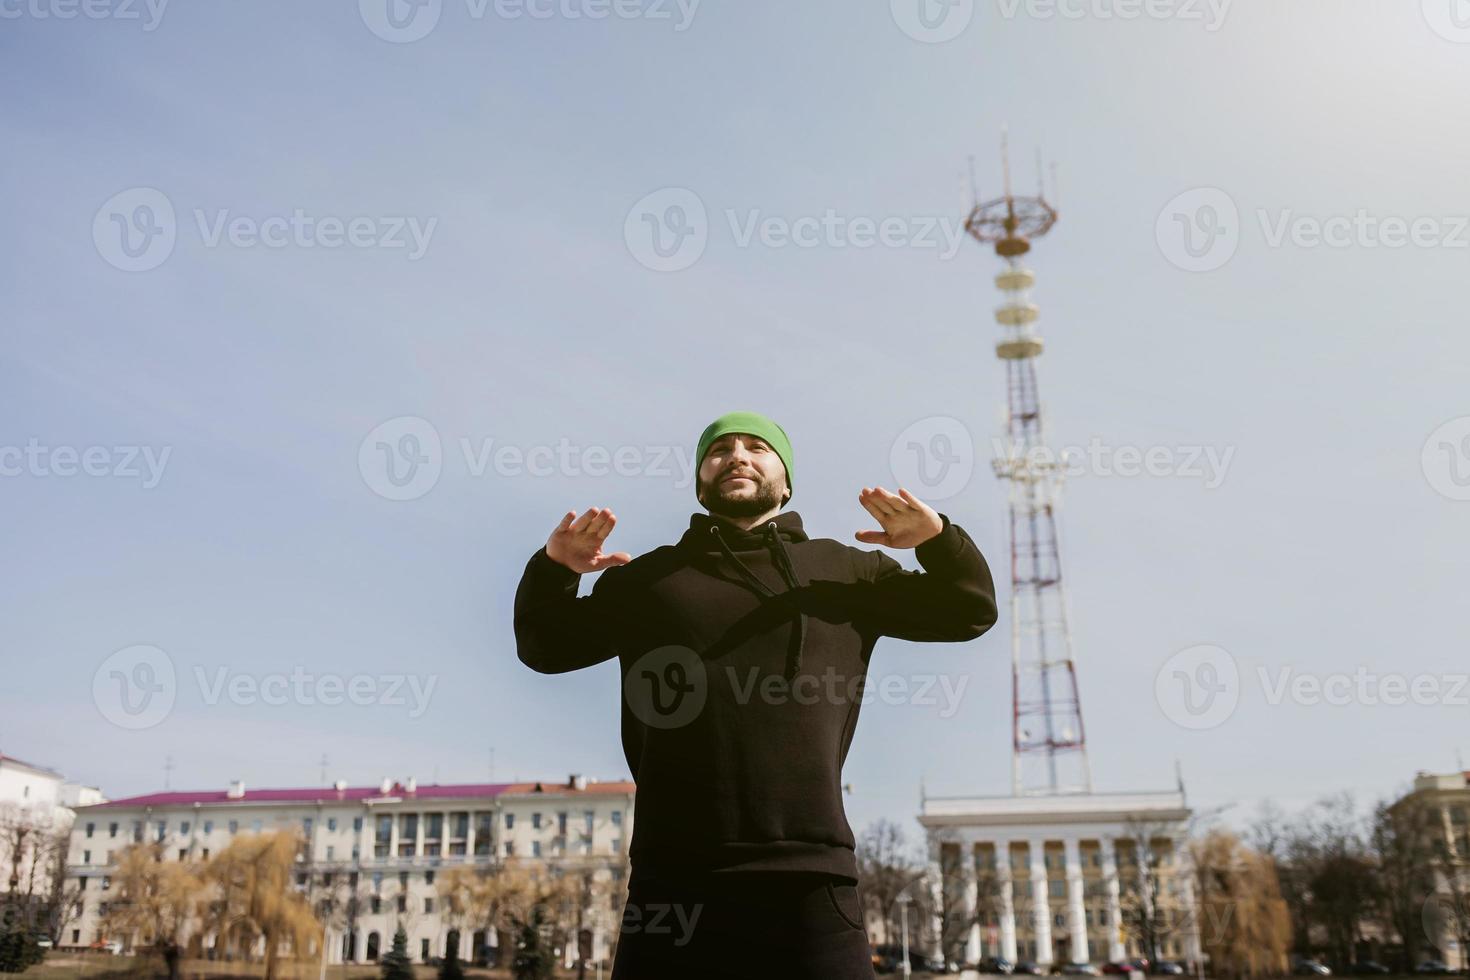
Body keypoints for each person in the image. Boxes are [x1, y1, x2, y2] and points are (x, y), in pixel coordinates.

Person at [513, 410, 999, 979]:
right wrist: (554, 571)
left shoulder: (845, 573)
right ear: (700, 481)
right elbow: (544, 648)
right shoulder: (646, 581)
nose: (738, 456)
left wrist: (939, 541)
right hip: (673, 880)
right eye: (719, 451)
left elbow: (969, 610)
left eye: (757, 447)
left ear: (785, 478)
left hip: (812, 876)